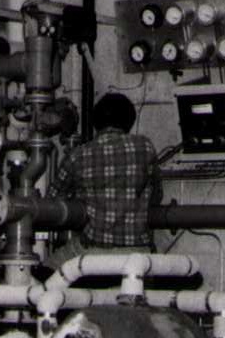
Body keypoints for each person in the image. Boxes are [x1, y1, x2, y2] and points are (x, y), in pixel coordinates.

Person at [61, 92, 158, 250]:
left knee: (48, 264)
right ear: (129, 121)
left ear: (96, 122)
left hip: (94, 251)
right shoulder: (145, 147)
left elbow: (53, 201)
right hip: (138, 251)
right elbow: (156, 196)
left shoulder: (77, 155)